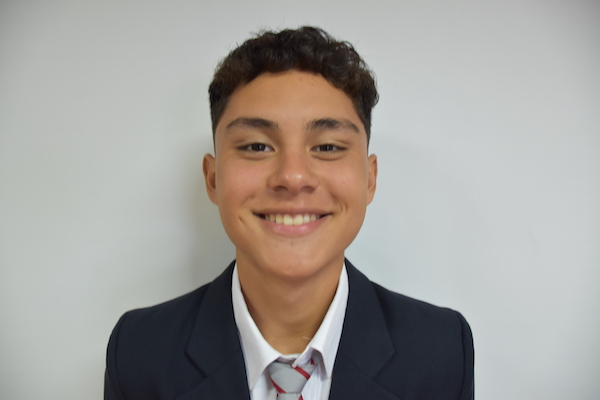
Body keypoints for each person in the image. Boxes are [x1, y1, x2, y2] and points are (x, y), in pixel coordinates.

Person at [104, 26, 474, 400]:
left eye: (327, 147)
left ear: (370, 179)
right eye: (257, 146)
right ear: (213, 178)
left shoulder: (443, 351)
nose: (293, 178)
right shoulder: (137, 352)